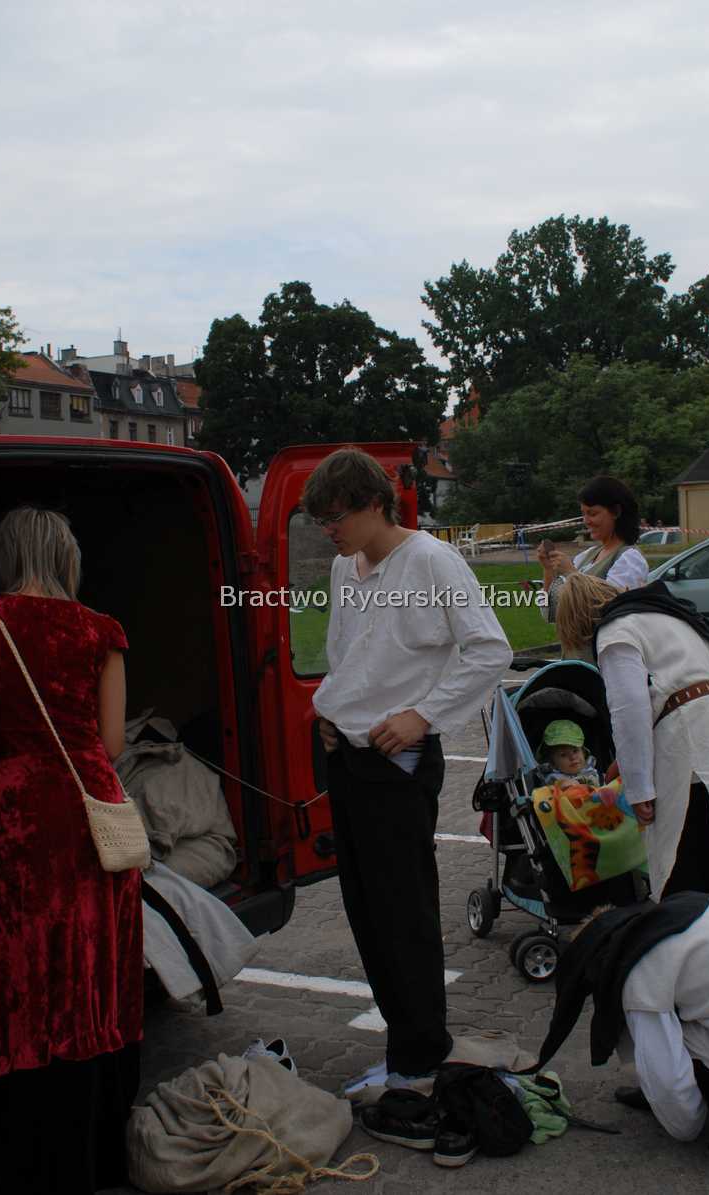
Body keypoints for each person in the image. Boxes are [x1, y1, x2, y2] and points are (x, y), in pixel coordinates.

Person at [302, 449, 512, 1090]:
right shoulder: (343, 567)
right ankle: (406, 1050)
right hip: (347, 755)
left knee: (404, 913)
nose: (329, 531)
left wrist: (424, 715)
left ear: (375, 504)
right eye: (320, 520)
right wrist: (330, 710)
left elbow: (489, 649)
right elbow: (348, 653)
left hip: (399, 761)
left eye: (336, 517)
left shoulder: (430, 559)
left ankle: (421, 1055)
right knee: (367, 911)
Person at [0, 508, 144, 1195]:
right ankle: (98, 1153)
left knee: (22, 968)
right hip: (92, 809)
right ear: (66, 558)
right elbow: (111, 742)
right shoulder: (100, 630)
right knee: (92, 968)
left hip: (21, 809)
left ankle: (19, 1157)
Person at [555, 572, 709, 901]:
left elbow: (629, 712)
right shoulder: (666, 614)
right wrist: (628, 763)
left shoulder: (615, 632)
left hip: (691, 733)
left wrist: (639, 790)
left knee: (684, 856)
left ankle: (695, 925)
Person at [527, 895, 709, 1177]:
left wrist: (685, 1124)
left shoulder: (639, 970)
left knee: (656, 1035)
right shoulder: (675, 913)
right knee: (667, 1013)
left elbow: (666, 1077)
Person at [538, 476, 648, 661]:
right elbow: (550, 614)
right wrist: (548, 571)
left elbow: (610, 611)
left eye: (593, 513)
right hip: (574, 662)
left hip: (606, 664)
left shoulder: (630, 559)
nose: (586, 520)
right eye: (584, 513)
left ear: (616, 511)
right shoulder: (585, 557)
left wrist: (571, 574)